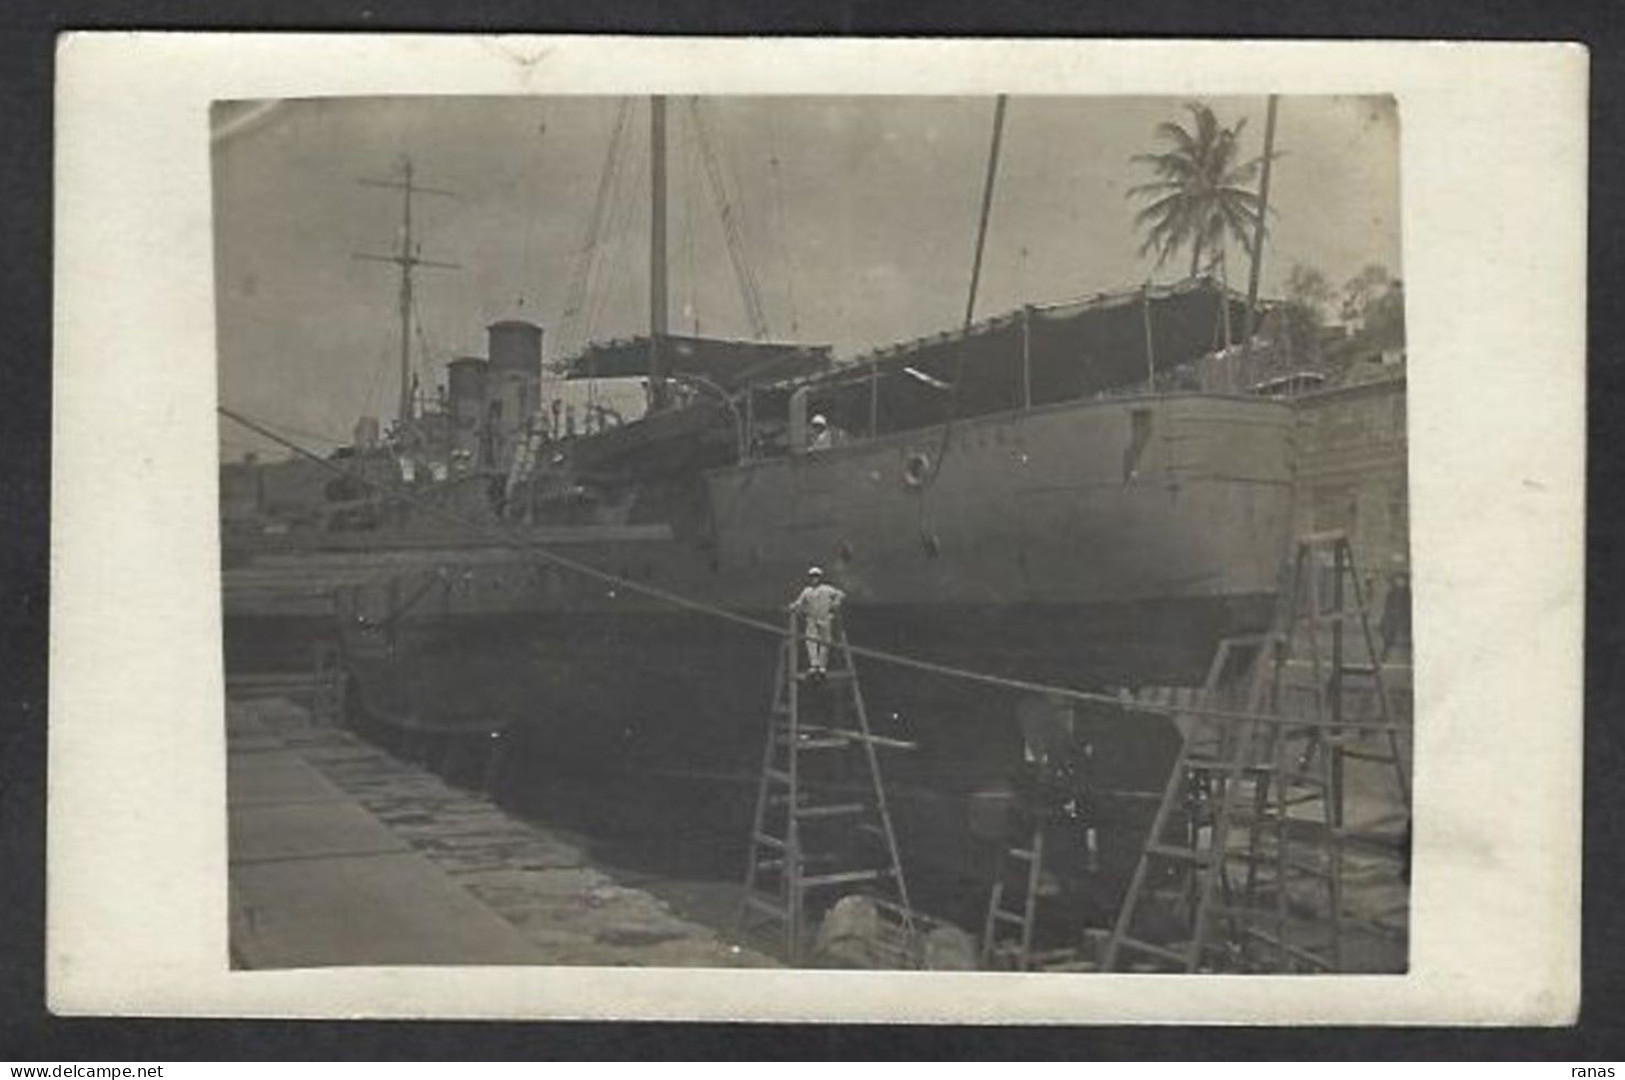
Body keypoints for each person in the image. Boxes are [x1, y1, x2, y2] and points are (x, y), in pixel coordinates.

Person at [788, 565, 844, 675]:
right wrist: (793, 606)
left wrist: (835, 603)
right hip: (812, 619)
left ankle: (822, 666)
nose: (814, 579)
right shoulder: (807, 591)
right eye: (812, 576)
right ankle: (814, 665)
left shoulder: (827, 589)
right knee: (810, 641)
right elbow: (799, 602)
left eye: (816, 576)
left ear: (820, 577)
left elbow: (840, 594)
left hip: (824, 619)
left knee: (826, 642)